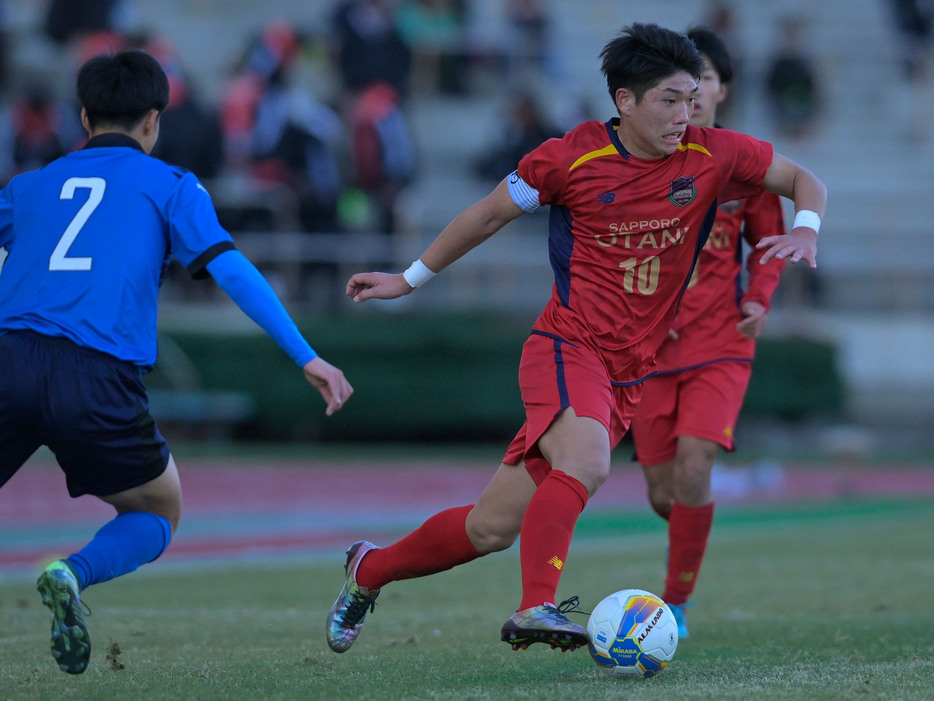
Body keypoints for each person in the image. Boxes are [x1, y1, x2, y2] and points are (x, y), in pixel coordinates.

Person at [326, 22, 825, 655]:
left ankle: (368, 570)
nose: (685, 113)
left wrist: (805, 231)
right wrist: (409, 279)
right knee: (587, 464)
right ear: (625, 101)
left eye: (690, 97)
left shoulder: (713, 153)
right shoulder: (569, 158)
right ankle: (535, 605)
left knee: (490, 529)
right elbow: (487, 214)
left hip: (629, 374)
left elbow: (806, 180)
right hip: (566, 347)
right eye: (669, 100)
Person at [0, 50, 353, 675]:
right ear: (153, 122)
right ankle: (71, 572)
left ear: (82, 116)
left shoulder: (27, 186)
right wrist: (307, 355)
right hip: (97, 372)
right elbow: (231, 269)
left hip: (9, 359)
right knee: (157, 510)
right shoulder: (169, 184)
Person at [628, 27, 787, 640]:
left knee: (696, 467)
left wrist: (758, 296)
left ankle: (675, 603)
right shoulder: (645, 154)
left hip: (720, 342)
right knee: (665, 494)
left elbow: (768, 240)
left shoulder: (742, 161)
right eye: (682, 88)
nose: (694, 96)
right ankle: (682, 558)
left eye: (706, 83)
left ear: (722, 88)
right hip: (645, 351)